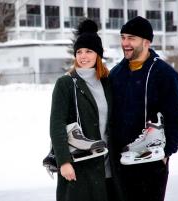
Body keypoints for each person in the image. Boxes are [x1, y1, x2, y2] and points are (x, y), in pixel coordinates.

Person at [109, 16, 178, 201]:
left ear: (146, 42)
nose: (125, 43)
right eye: (123, 37)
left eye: (131, 38)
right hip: (120, 163)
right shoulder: (116, 74)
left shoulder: (165, 74)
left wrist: (166, 152)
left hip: (151, 163)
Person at [49, 19, 121, 201]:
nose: (83, 56)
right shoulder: (65, 83)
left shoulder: (107, 82)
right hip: (79, 165)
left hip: (109, 167)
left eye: (89, 51)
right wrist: (64, 162)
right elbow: (56, 125)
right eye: (79, 51)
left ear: (98, 54)